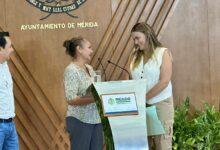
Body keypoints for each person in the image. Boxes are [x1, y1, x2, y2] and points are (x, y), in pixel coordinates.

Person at [130, 22, 174, 150]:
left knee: (163, 145)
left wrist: (144, 97)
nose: (136, 42)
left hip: (161, 105)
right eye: (134, 39)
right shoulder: (135, 56)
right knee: (144, 145)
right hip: (141, 107)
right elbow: (132, 79)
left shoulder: (163, 52)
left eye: (137, 38)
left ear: (147, 34)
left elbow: (164, 81)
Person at [63, 37, 103, 150]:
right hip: (79, 121)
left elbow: (96, 89)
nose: (92, 50)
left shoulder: (89, 68)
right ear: (79, 49)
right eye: (89, 47)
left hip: (96, 119)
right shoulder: (71, 70)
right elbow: (71, 99)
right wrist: (95, 98)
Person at [0, 32, 19, 150]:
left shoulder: (5, 64)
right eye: (10, 46)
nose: (12, 50)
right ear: (0, 49)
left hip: (10, 124)